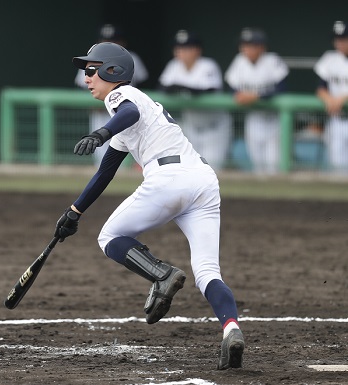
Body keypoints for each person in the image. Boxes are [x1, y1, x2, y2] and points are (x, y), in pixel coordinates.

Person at [55, 42, 245, 370]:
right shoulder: (132, 114)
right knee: (207, 271)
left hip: (169, 178)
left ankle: (162, 274)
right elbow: (105, 173)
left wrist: (100, 133)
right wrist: (74, 212)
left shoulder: (123, 97)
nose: (86, 77)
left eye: (91, 69)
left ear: (112, 72)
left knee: (109, 238)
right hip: (203, 180)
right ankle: (231, 329)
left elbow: (128, 112)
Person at [74, 24, 149, 166]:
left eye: (114, 40)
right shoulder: (91, 60)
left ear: (122, 42)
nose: (108, 43)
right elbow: (81, 88)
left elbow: (143, 86)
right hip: (99, 114)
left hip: (126, 112)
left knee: (131, 157)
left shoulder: (130, 58)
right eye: (105, 40)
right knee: (102, 160)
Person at [158, 30, 232, 171]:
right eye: (178, 48)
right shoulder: (174, 65)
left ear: (197, 50)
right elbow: (163, 88)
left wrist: (179, 87)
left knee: (211, 172)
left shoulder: (208, 65)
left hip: (214, 129)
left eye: (186, 48)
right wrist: (183, 89)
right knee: (188, 172)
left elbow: (208, 90)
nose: (181, 52)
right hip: (190, 128)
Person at [225, 27, 289, 174]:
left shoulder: (272, 60)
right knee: (258, 167)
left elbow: (282, 88)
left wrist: (256, 96)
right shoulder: (239, 61)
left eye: (251, 45)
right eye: (244, 45)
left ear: (262, 47)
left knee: (274, 166)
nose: (246, 49)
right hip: (253, 119)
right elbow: (231, 87)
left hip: (274, 120)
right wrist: (239, 95)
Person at [314, 20, 348, 172]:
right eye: (337, 39)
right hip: (336, 119)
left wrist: (342, 98)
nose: (340, 42)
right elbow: (321, 87)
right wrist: (328, 99)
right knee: (338, 168)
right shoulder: (330, 58)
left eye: (344, 38)